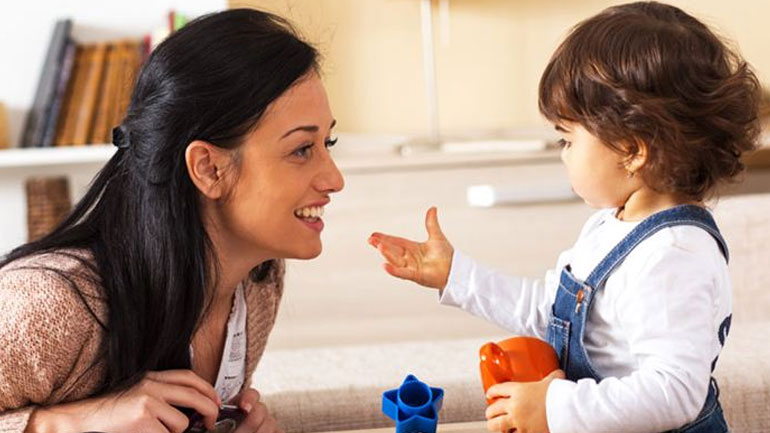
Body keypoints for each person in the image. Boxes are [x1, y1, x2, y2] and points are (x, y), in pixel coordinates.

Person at [368, 2, 761, 432]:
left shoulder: (672, 256)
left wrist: (557, 407)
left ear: (631, 150)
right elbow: (549, 310)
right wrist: (454, 274)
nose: (564, 154)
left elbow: (673, 392)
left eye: (567, 139)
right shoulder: (613, 225)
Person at [0, 8, 343, 433]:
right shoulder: (47, 304)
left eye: (328, 142)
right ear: (208, 168)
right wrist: (62, 426)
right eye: (301, 149)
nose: (335, 179)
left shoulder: (257, 282)